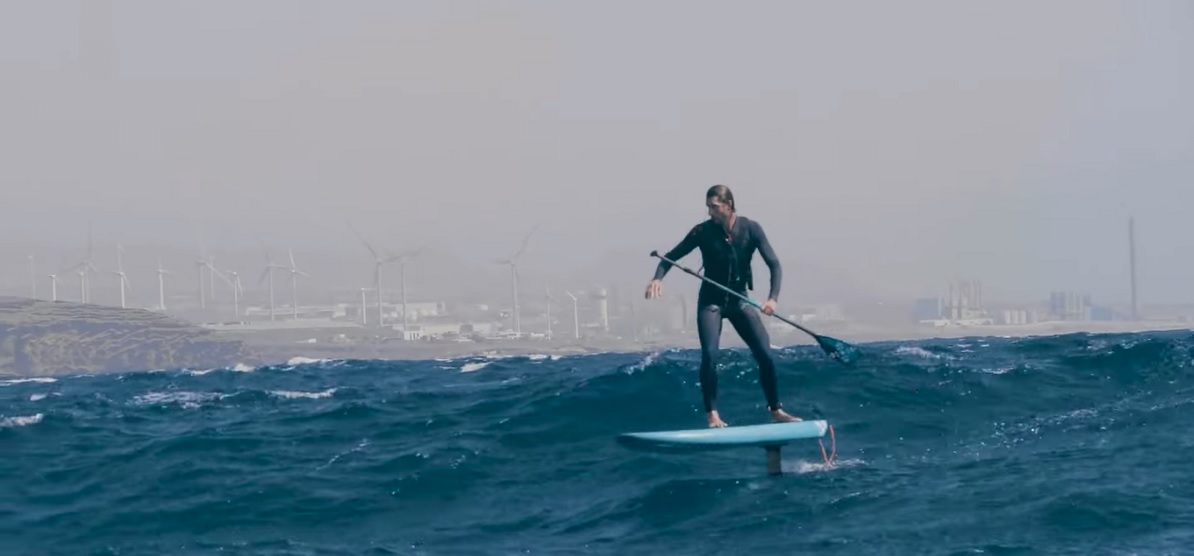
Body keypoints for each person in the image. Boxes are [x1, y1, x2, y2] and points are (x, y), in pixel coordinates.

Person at [644, 185, 800, 428]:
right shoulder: (702, 231)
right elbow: (670, 257)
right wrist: (657, 278)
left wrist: (772, 299)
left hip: (739, 300)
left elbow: (774, 265)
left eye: (714, 207)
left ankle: (776, 409)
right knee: (710, 355)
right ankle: (713, 415)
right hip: (711, 303)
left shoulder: (751, 229)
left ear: (729, 205)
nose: (710, 212)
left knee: (765, 355)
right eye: (708, 207)